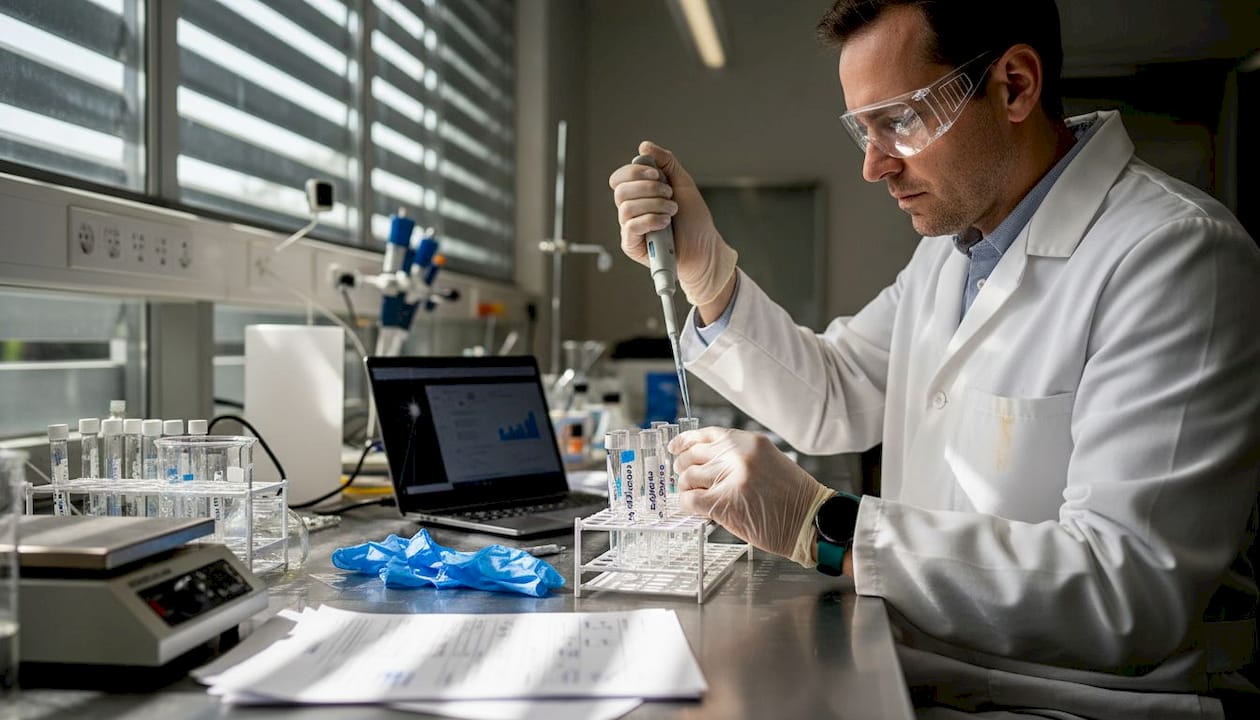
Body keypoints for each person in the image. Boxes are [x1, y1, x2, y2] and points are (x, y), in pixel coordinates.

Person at [607, 1, 1260, 718]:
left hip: (1088, 703)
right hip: (934, 675)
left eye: (900, 120)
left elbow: (1127, 590)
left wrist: (825, 525)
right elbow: (836, 395)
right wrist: (711, 279)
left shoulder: (1176, 255)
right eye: (862, 128)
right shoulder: (952, 256)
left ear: (1013, 85)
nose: (873, 163)